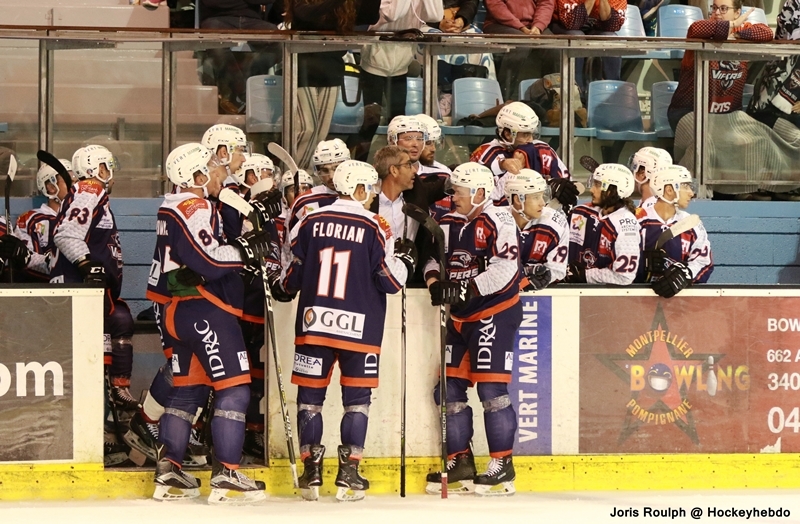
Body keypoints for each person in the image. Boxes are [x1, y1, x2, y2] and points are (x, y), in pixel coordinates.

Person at [283, 160, 415, 502]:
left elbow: (289, 279)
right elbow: (388, 282)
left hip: (313, 326)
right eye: (369, 190)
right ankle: (348, 474)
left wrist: (281, 284)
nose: (371, 196)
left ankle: (311, 474)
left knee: (309, 400)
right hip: (360, 329)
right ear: (358, 189)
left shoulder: (309, 222)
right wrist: (405, 262)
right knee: (356, 402)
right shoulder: (376, 226)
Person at [151, 143, 272, 503]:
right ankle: (228, 474)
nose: (220, 172)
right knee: (234, 389)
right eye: (212, 167)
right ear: (196, 177)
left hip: (177, 311)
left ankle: (169, 471)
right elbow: (208, 260)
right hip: (205, 310)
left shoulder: (169, 204)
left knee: (187, 390)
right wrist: (245, 251)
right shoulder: (195, 204)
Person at [423, 162, 522, 496]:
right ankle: (461, 460)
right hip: (461, 318)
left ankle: (502, 465)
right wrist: (434, 280)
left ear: (480, 193)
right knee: (447, 390)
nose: (453, 197)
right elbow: (434, 258)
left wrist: (466, 289)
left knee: (492, 393)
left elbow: (505, 269)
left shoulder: (500, 219)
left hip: (494, 313)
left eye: (459, 192)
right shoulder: (448, 220)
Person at [50, 145, 138, 414]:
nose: (110, 173)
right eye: (107, 166)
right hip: (81, 292)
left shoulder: (89, 197)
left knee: (118, 321)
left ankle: (109, 410)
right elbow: (66, 234)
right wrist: (87, 264)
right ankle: (94, 429)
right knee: (88, 365)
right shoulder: (91, 189)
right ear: (97, 168)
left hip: (86, 291)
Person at [274, 0, 381, 170]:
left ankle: (308, 178)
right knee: (305, 129)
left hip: (331, 69)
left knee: (319, 134)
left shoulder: (343, 6)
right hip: (301, 68)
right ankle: (293, 178)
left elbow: (369, 17)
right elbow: (306, 13)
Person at [668, 0, 773, 132]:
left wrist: (736, 34)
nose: (717, 13)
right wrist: (733, 24)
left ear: (737, 13)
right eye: (714, 8)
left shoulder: (741, 31)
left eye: (723, 9)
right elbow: (695, 28)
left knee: (760, 138)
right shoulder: (704, 31)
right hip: (689, 112)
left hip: (729, 114)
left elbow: (767, 32)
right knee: (711, 144)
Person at [639, 165, 714, 297]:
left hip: (679, 304)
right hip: (635, 301)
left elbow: (704, 262)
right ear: (669, 190)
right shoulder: (637, 221)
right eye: (685, 186)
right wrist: (642, 264)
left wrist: (684, 274)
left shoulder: (692, 224)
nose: (691, 192)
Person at [198, 0, 280, 114]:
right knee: (216, 43)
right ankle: (239, 88)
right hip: (218, 19)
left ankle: (247, 75)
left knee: (280, 42)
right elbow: (212, 2)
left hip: (253, 21)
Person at [564, 163, 640, 285]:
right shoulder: (582, 212)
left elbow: (624, 276)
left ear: (612, 190)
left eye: (598, 185)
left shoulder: (626, 225)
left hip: (604, 299)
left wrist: (585, 275)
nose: (592, 189)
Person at [4, 159, 72, 282]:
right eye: (68, 181)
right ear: (51, 187)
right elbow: (27, 261)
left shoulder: (81, 218)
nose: (75, 186)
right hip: (43, 291)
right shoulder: (32, 220)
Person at [505, 170, 569, 287]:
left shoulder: (556, 223)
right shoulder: (495, 222)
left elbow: (557, 271)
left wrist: (543, 277)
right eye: (535, 197)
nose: (543, 203)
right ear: (518, 199)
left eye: (543, 195)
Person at [550, 0, 627, 96]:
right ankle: (577, 94)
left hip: (596, 27)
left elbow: (612, 25)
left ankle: (612, 94)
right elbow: (572, 23)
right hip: (564, 26)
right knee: (576, 37)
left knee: (612, 39)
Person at [483, 0, 556, 98]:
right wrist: (521, 27)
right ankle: (503, 98)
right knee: (521, 44)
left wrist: (538, 27)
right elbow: (495, 5)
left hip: (533, 26)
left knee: (554, 47)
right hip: (500, 24)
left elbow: (546, 3)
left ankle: (552, 99)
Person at [287, 139, 351, 231]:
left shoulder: (364, 197)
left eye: (336, 168)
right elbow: (290, 241)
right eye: (325, 170)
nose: (331, 176)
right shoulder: (304, 202)